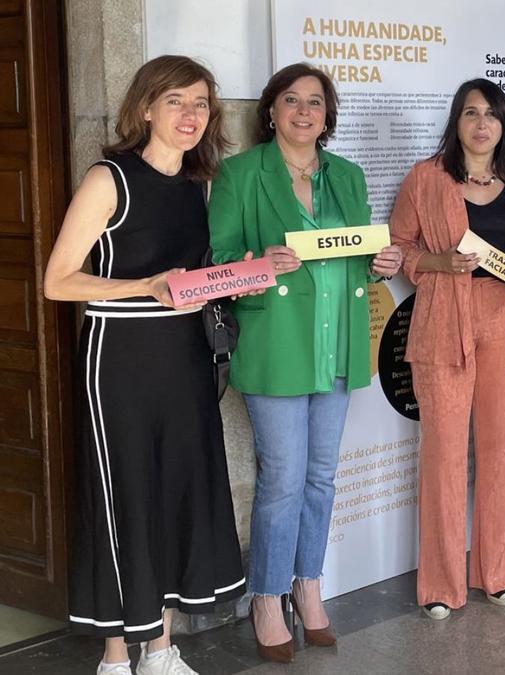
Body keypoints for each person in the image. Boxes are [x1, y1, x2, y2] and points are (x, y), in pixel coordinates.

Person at [44, 55, 245, 675]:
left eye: (201, 104)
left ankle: (159, 647)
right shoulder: (110, 179)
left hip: (185, 357)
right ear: (146, 107)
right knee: (123, 494)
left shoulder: (199, 184)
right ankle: (114, 654)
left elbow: (192, 281)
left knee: (171, 493)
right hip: (120, 360)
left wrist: (247, 274)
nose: (190, 115)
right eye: (177, 101)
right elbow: (58, 283)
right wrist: (145, 285)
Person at [207, 63, 403, 662]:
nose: (302, 111)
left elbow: (354, 253)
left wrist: (379, 263)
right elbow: (217, 266)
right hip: (277, 351)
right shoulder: (241, 174)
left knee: (320, 479)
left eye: (314, 102)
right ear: (270, 110)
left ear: (327, 114)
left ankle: (307, 585)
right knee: (283, 482)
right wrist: (258, 264)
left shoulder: (347, 175)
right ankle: (267, 595)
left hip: (336, 348)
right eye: (290, 100)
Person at [389, 78, 505, 620]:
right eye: (471, 113)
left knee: (502, 453)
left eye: (492, 115)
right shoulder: (426, 179)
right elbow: (402, 246)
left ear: (503, 126)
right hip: (443, 320)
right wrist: (437, 263)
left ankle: (498, 573)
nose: (482, 124)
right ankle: (441, 584)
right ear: (456, 122)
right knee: (445, 455)